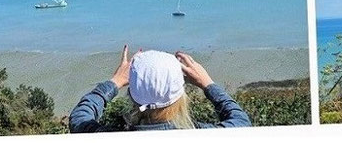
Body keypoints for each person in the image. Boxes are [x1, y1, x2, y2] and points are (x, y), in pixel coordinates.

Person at [69, 45, 251, 132]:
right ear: (180, 96)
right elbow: (241, 121)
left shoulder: (107, 136)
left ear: (132, 94)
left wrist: (115, 81)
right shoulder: (200, 134)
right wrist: (207, 84)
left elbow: (80, 117)